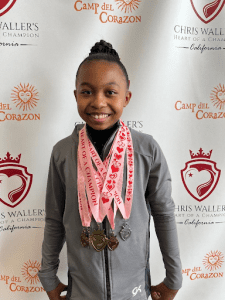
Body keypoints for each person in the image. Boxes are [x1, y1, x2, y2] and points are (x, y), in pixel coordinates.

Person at [38, 40, 182, 300]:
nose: (98, 102)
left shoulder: (146, 149)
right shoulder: (62, 153)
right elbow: (54, 218)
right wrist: (48, 275)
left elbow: (164, 214)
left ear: (126, 97)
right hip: (82, 290)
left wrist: (174, 277)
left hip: (134, 290)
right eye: (87, 92)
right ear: (75, 96)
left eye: (110, 92)